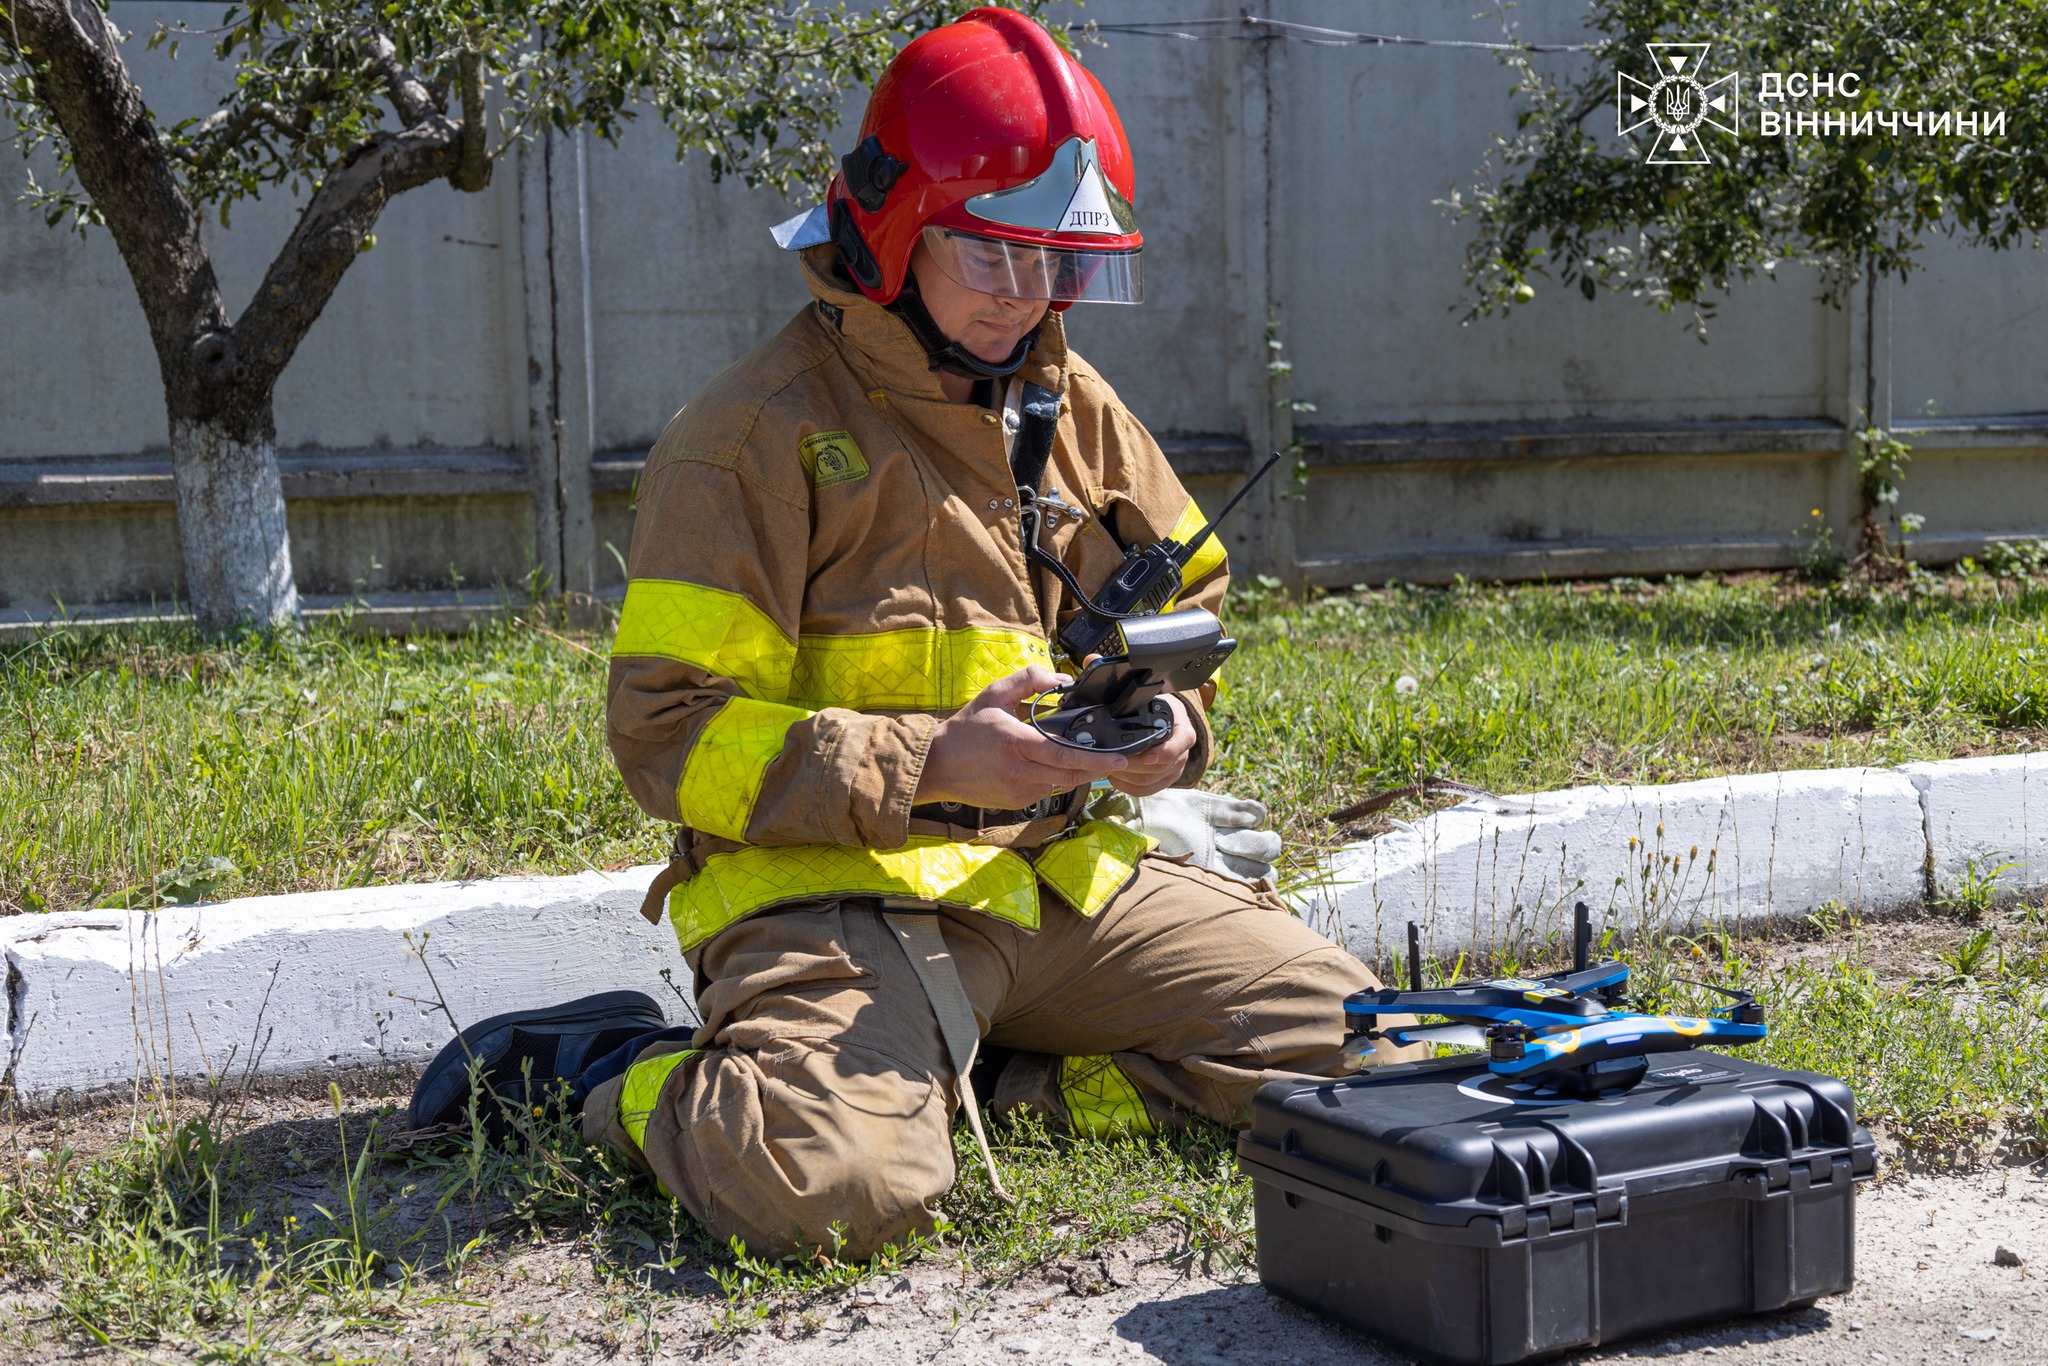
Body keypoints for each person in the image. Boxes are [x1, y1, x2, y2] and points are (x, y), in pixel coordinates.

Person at [410, 6, 1417, 1260]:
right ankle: (610, 1075)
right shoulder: (748, 443)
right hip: (834, 896)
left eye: (1054, 261)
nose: (1026, 297)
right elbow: (666, 739)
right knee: (825, 1189)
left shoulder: (1065, 398)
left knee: (1371, 1052)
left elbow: (1185, 611)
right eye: (990, 256)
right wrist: (933, 762)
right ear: (891, 236)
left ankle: (984, 1091)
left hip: (1056, 879)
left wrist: (1166, 727)